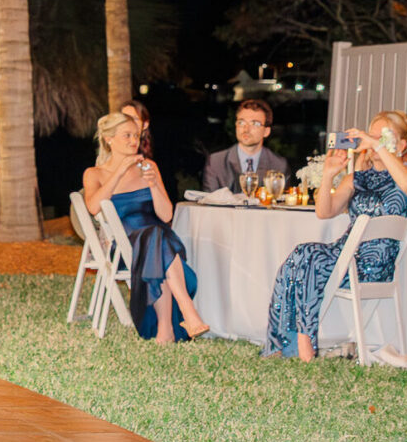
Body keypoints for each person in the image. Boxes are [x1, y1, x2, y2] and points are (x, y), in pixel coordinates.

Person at [267, 110, 407, 361]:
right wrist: (329, 174)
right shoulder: (356, 179)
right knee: (301, 256)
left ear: (402, 145)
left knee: (307, 255)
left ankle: (297, 346)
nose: (374, 142)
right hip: (345, 257)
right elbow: (324, 212)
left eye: (384, 137)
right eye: (372, 136)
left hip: (374, 265)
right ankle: (297, 343)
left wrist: (375, 144)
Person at [82, 109, 206, 342]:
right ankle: (187, 309)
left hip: (159, 240)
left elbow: (166, 214)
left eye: (136, 136)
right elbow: (93, 207)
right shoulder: (94, 173)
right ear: (109, 139)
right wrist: (119, 172)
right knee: (157, 243)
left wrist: (154, 186)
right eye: (127, 135)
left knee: (157, 240)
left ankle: (165, 331)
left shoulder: (149, 167)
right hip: (124, 246)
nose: (134, 141)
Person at [202, 99, 295, 194]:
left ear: (266, 131)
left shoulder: (279, 165)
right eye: (241, 122)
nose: (246, 129)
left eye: (254, 124)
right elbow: (209, 202)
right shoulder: (216, 162)